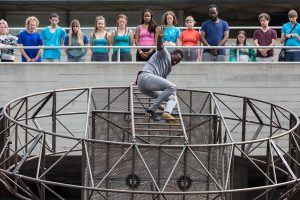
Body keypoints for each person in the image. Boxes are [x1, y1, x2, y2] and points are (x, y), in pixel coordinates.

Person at [136, 26, 183, 122]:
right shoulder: (165, 54)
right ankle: (151, 110)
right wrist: (159, 37)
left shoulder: (168, 69)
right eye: (175, 59)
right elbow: (160, 46)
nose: (175, 62)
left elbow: (162, 86)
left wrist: (161, 102)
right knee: (173, 87)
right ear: (172, 54)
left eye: (177, 62)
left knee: (173, 98)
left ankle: (167, 112)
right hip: (145, 77)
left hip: (145, 87)